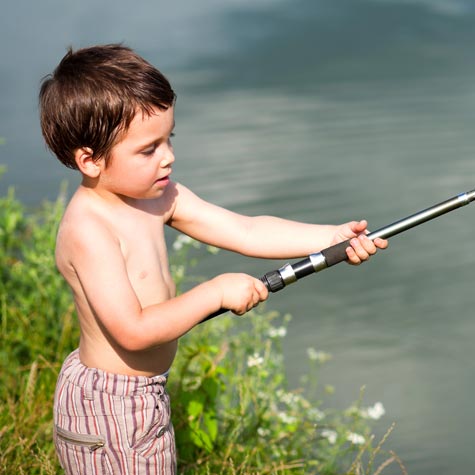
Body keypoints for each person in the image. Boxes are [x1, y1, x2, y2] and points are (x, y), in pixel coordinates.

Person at [39, 44, 388, 475]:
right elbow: (132, 331)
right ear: (90, 160)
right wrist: (216, 291)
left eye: (169, 139)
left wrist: (331, 237)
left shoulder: (156, 196)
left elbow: (245, 230)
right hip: (110, 404)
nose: (168, 156)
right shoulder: (89, 229)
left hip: (141, 395)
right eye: (148, 149)